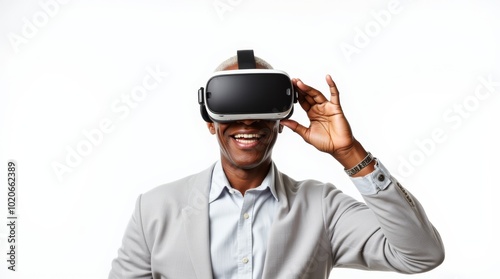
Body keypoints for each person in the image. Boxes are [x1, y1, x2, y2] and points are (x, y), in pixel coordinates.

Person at [109, 53, 445, 279]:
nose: (249, 119)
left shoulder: (321, 208)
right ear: (210, 121)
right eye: (233, 105)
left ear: (282, 119)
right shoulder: (155, 209)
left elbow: (421, 254)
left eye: (261, 105)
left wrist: (350, 153)